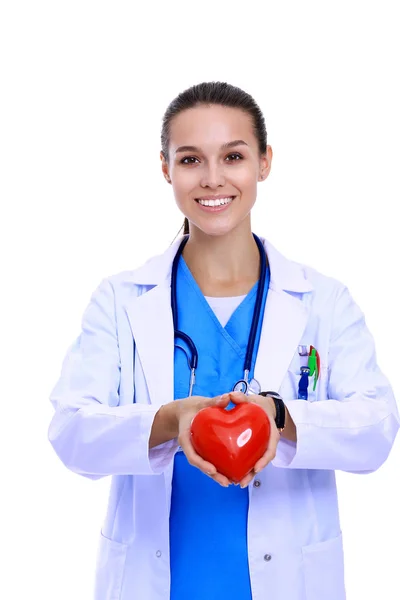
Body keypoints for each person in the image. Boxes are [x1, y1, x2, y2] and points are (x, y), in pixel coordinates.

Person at [48, 81, 400, 600]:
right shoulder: (121, 301)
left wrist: (278, 416)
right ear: (165, 168)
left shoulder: (322, 300)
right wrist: (171, 420)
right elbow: (71, 432)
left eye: (233, 156)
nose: (213, 179)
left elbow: (376, 429)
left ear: (264, 162)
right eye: (190, 160)